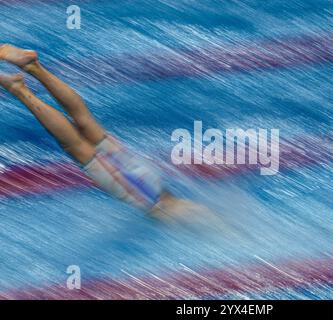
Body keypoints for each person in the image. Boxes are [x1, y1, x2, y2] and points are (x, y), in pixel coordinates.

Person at [0, 44, 207, 220]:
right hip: (148, 197)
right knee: (75, 146)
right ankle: (19, 89)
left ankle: (34, 67)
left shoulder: (211, 218)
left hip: (152, 181)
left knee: (85, 121)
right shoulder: (200, 226)